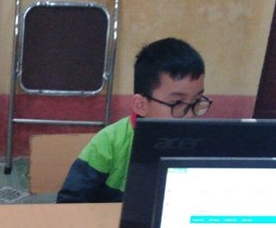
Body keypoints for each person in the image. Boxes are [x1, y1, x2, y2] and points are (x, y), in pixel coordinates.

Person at [55, 37, 208, 203]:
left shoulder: (201, 142)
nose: (190, 115)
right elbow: (70, 201)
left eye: (196, 101)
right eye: (177, 103)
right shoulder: (110, 141)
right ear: (140, 105)